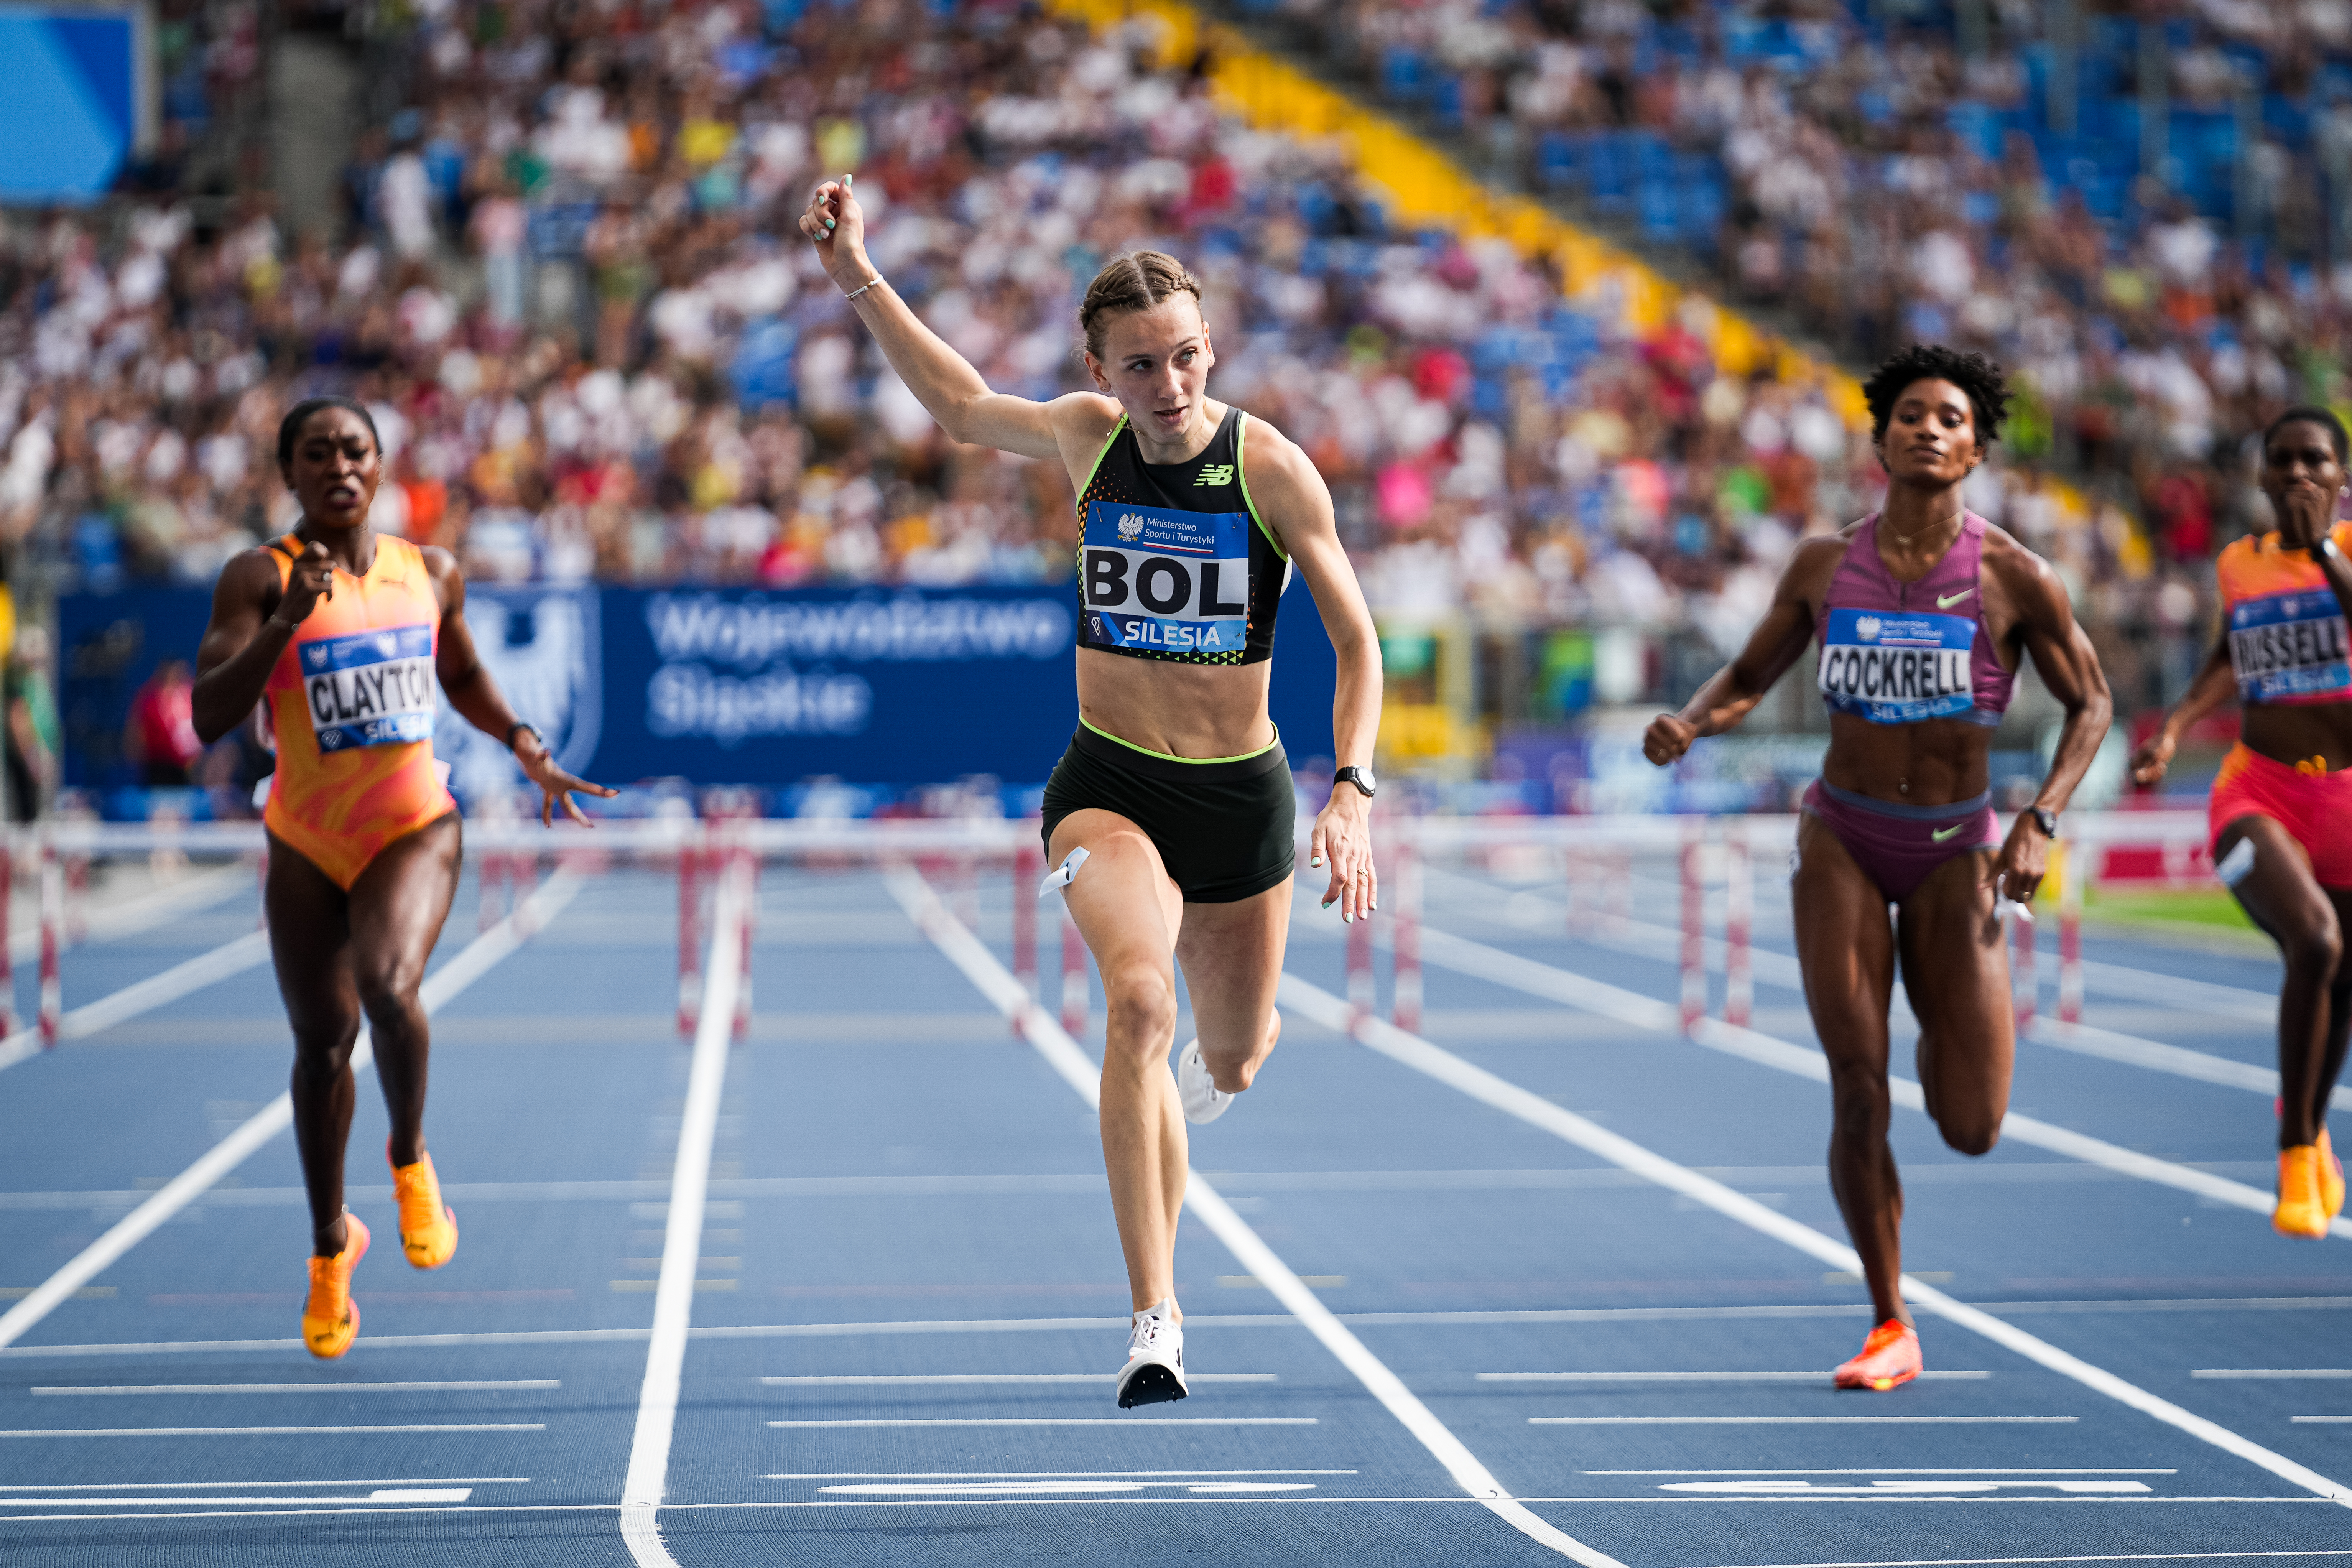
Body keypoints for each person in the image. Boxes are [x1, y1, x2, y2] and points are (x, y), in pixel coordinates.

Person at [801, 177, 1382, 1407]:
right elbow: (959, 405)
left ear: (1207, 350)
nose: (1165, 390)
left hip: (1240, 800)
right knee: (1132, 1000)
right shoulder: (1084, 438)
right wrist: (856, 271)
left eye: (1182, 360)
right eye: (1138, 368)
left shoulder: (1270, 471)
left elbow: (1358, 643)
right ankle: (1154, 1317)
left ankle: (1195, 1076)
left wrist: (1353, 791)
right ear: (1101, 370)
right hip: (1106, 783)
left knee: (1234, 1053)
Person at [1643, 345, 2111, 1389]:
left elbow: (2093, 702)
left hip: (1956, 850)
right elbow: (1748, 676)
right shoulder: (1821, 565)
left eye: (1949, 418)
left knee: (1972, 1123)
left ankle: (1946, 1084)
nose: (1927, 430)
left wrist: (2040, 817)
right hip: (1843, 839)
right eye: (1909, 415)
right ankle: (1887, 1321)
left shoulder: (2011, 575)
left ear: (1975, 447)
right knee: (1856, 1088)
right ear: (1879, 438)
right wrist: (1690, 721)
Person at [192, 396, 617, 1359]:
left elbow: (459, 673)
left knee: (388, 987)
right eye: (317, 453)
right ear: (289, 473)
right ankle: (330, 1246)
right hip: (304, 838)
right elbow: (209, 715)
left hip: (411, 824)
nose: (340, 466)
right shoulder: (259, 578)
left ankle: (411, 1158)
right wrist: (279, 631)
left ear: (381, 467)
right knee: (320, 1047)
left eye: (356, 450)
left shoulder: (429, 571)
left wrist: (523, 745)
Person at [2130, 406, 2352, 1238]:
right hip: (2258, 791)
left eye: (2314, 461)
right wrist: (2177, 727)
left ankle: (2311, 1123)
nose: (2297, 474)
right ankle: (2295, 1146)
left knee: (2344, 982)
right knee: (2317, 943)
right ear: (2260, 479)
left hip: (2348, 803)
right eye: (2282, 462)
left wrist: (2324, 550)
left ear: (2338, 477)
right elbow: (2231, 654)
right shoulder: (2237, 565)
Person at [125, 658, 204, 787]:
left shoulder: (190, 696)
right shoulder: (149, 699)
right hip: (158, 765)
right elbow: (136, 734)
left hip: (188, 766)